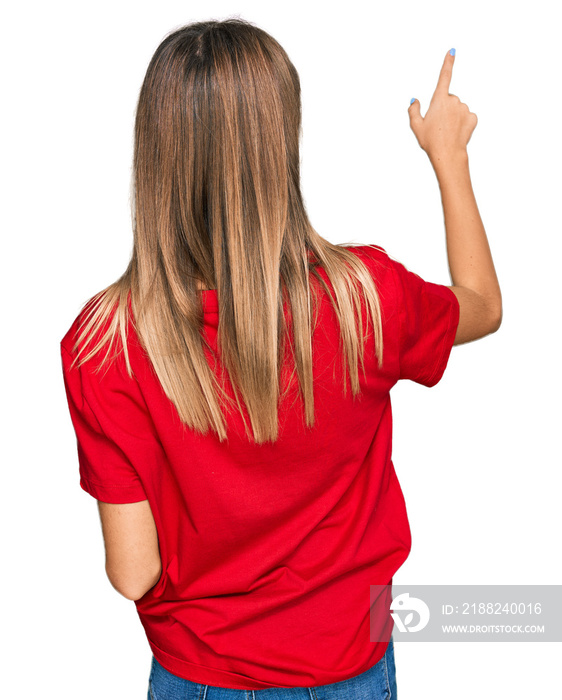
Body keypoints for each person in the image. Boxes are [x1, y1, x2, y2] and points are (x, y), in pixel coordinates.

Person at [60, 18, 501, 700]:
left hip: (198, 674)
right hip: (350, 666)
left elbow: (133, 573)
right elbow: (482, 304)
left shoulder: (105, 343)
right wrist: (449, 158)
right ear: (281, 142)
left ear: (155, 152)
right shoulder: (365, 300)